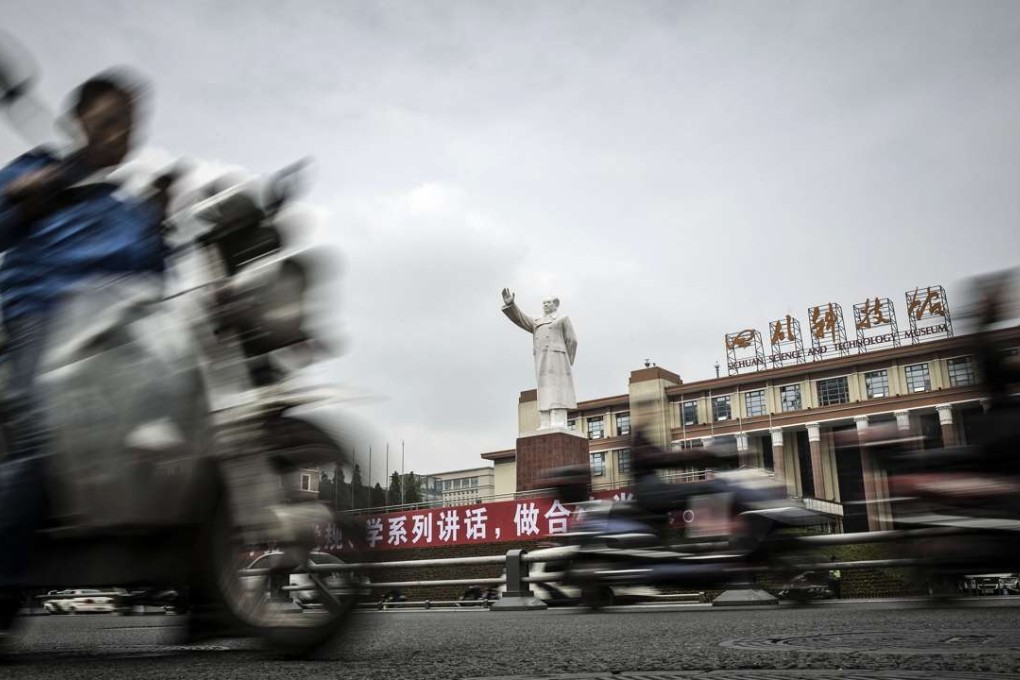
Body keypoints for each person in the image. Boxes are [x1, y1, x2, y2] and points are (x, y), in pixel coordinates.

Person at [0, 69, 171, 619]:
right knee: (46, 443)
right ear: (79, 122)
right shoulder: (39, 171)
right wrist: (25, 195)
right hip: (39, 322)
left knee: (177, 433)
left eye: (130, 123)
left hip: (108, 340)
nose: (122, 132)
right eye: (109, 120)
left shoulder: (128, 210)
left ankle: (203, 588)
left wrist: (162, 223)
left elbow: (156, 277)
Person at [500, 288, 577, 430]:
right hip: (542, 359)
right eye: (544, 303)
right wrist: (512, 306)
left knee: (558, 388)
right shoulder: (537, 321)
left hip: (558, 358)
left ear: (556, 304)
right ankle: (545, 420)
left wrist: (568, 360)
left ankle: (558, 420)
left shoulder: (562, 319)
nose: (545, 305)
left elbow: (572, 340)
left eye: (548, 302)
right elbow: (521, 319)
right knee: (544, 389)